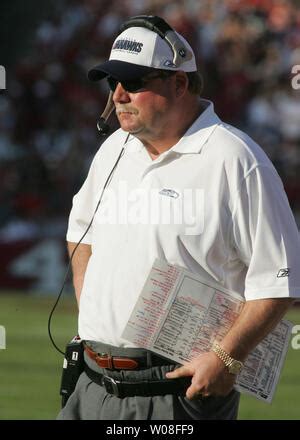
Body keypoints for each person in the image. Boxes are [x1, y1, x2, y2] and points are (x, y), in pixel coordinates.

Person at [57, 15, 300, 420]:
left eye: (133, 83)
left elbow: (281, 279)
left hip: (176, 391)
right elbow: (81, 233)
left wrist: (226, 357)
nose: (118, 95)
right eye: (112, 83)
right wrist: (92, 310)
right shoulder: (115, 148)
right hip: (91, 382)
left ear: (179, 83)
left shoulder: (235, 159)